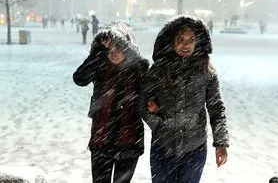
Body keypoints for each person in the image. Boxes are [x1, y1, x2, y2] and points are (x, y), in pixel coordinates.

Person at [141, 15, 229, 183]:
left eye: (191, 40)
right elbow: (142, 101)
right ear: (171, 41)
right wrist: (158, 123)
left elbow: (216, 107)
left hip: (194, 148)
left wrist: (221, 142)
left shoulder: (207, 71)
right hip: (163, 147)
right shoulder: (158, 69)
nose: (186, 45)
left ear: (198, 43)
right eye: (180, 39)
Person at [73, 19, 149, 183]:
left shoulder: (139, 67)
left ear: (127, 48)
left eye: (119, 47)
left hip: (129, 139)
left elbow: (152, 95)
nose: (113, 53)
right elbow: (79, 78)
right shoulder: (100, 65)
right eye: (109, 49)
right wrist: (97, 53)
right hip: (101, 139)